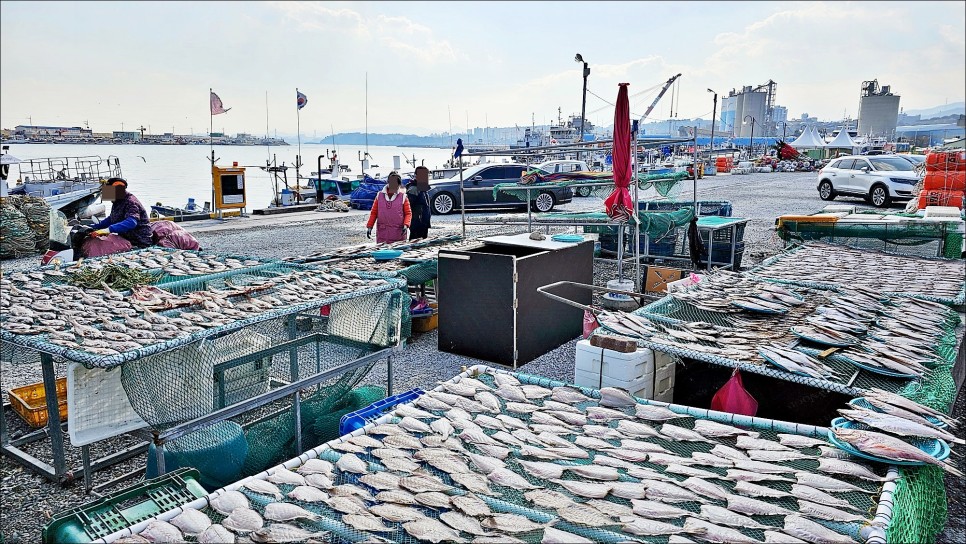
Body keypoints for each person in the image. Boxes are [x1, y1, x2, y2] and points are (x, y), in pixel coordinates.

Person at [90, 177, 153, 248]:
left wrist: (108, 230)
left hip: (139, 241)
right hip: (126, 238)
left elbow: (131, 222)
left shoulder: (130, 202)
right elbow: (112, 219)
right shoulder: (117, 201)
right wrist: (94, 227)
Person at [366, 172, 411, 243]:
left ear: (399, 185)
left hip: (398, 233)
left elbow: (408, 213)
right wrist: (370, 226)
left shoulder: (403, 197)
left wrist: (406, 225)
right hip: (382, 233)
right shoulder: (379, 196)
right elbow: (374, 213)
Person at [406, 165, 432, 240]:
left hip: (424, 222)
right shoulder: (413, 189)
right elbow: (408, 207)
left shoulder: (423, 188)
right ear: (417, 176)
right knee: (415, 243)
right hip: (416, 223)